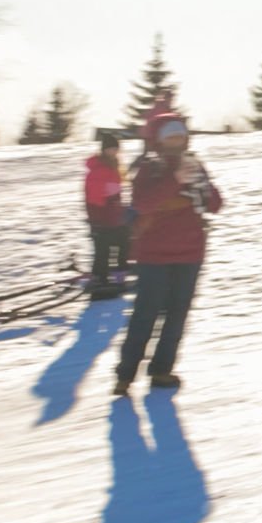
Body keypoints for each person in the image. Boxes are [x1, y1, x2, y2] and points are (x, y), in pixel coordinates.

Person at [114, 113, 222, 397]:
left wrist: (202, 186)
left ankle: (162, 370)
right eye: (171, 137)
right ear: (160, 140)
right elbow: (142, 203)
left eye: (180, 136)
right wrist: (175, 180)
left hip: (190, 252)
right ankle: (125, 374)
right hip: (155, 254)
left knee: (177, 314)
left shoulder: (195, 165)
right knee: (145, 314)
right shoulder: (149, 168)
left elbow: (215, 204)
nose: (176, 141)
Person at [83, 133, 129, 300]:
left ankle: (118, 277)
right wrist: (97, 219)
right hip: (102, 217)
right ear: (104, 150)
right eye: (111, 148)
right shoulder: (99, 169)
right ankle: (100, 279)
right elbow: (94, 198)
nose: (114, 151)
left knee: (123, 244)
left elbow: (116, 192)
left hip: (114, 215)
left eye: (116, 149)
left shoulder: (114, 165)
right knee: (103, 250)